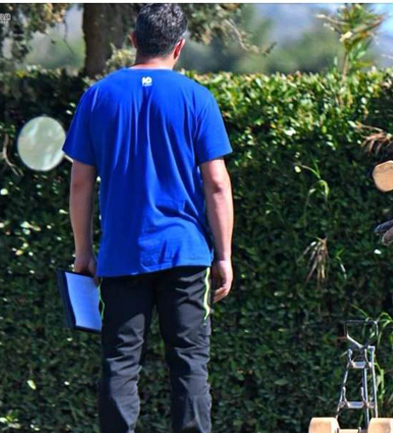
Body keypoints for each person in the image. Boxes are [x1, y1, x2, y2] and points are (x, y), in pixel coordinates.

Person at [63, 4, 233, 432]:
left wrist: (83, 252)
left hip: (122, 255)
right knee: (189, 363)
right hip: (186, 254)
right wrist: (224, 256)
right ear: (179, 47)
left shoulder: (98, 96)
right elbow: (216, 184)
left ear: (133, 40)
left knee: (120, 363)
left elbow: (80, 184)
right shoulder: (197, 98)